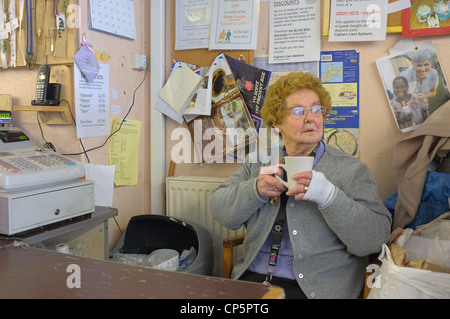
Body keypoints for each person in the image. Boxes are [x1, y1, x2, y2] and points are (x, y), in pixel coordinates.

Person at [210, 72, 392, 299]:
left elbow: (374, 240)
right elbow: (220, 210)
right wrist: (255, 190)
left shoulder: (351, 170)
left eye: (317, 109)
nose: (310, 118)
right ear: (277, 123)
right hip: (253, 282)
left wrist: (328, 196)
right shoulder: (259, 162)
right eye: (298, 111)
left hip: (315, 289)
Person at [400, 49, 438, 117]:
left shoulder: (434, 74)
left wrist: (425, 96)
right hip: (410, 107)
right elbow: (400, 97)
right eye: (419, 65)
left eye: (426, 64)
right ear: (413, 65)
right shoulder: (404, 76)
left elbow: (433, 92)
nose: (423, 69)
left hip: (425, 105)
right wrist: (412, 98)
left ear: (431, 64)